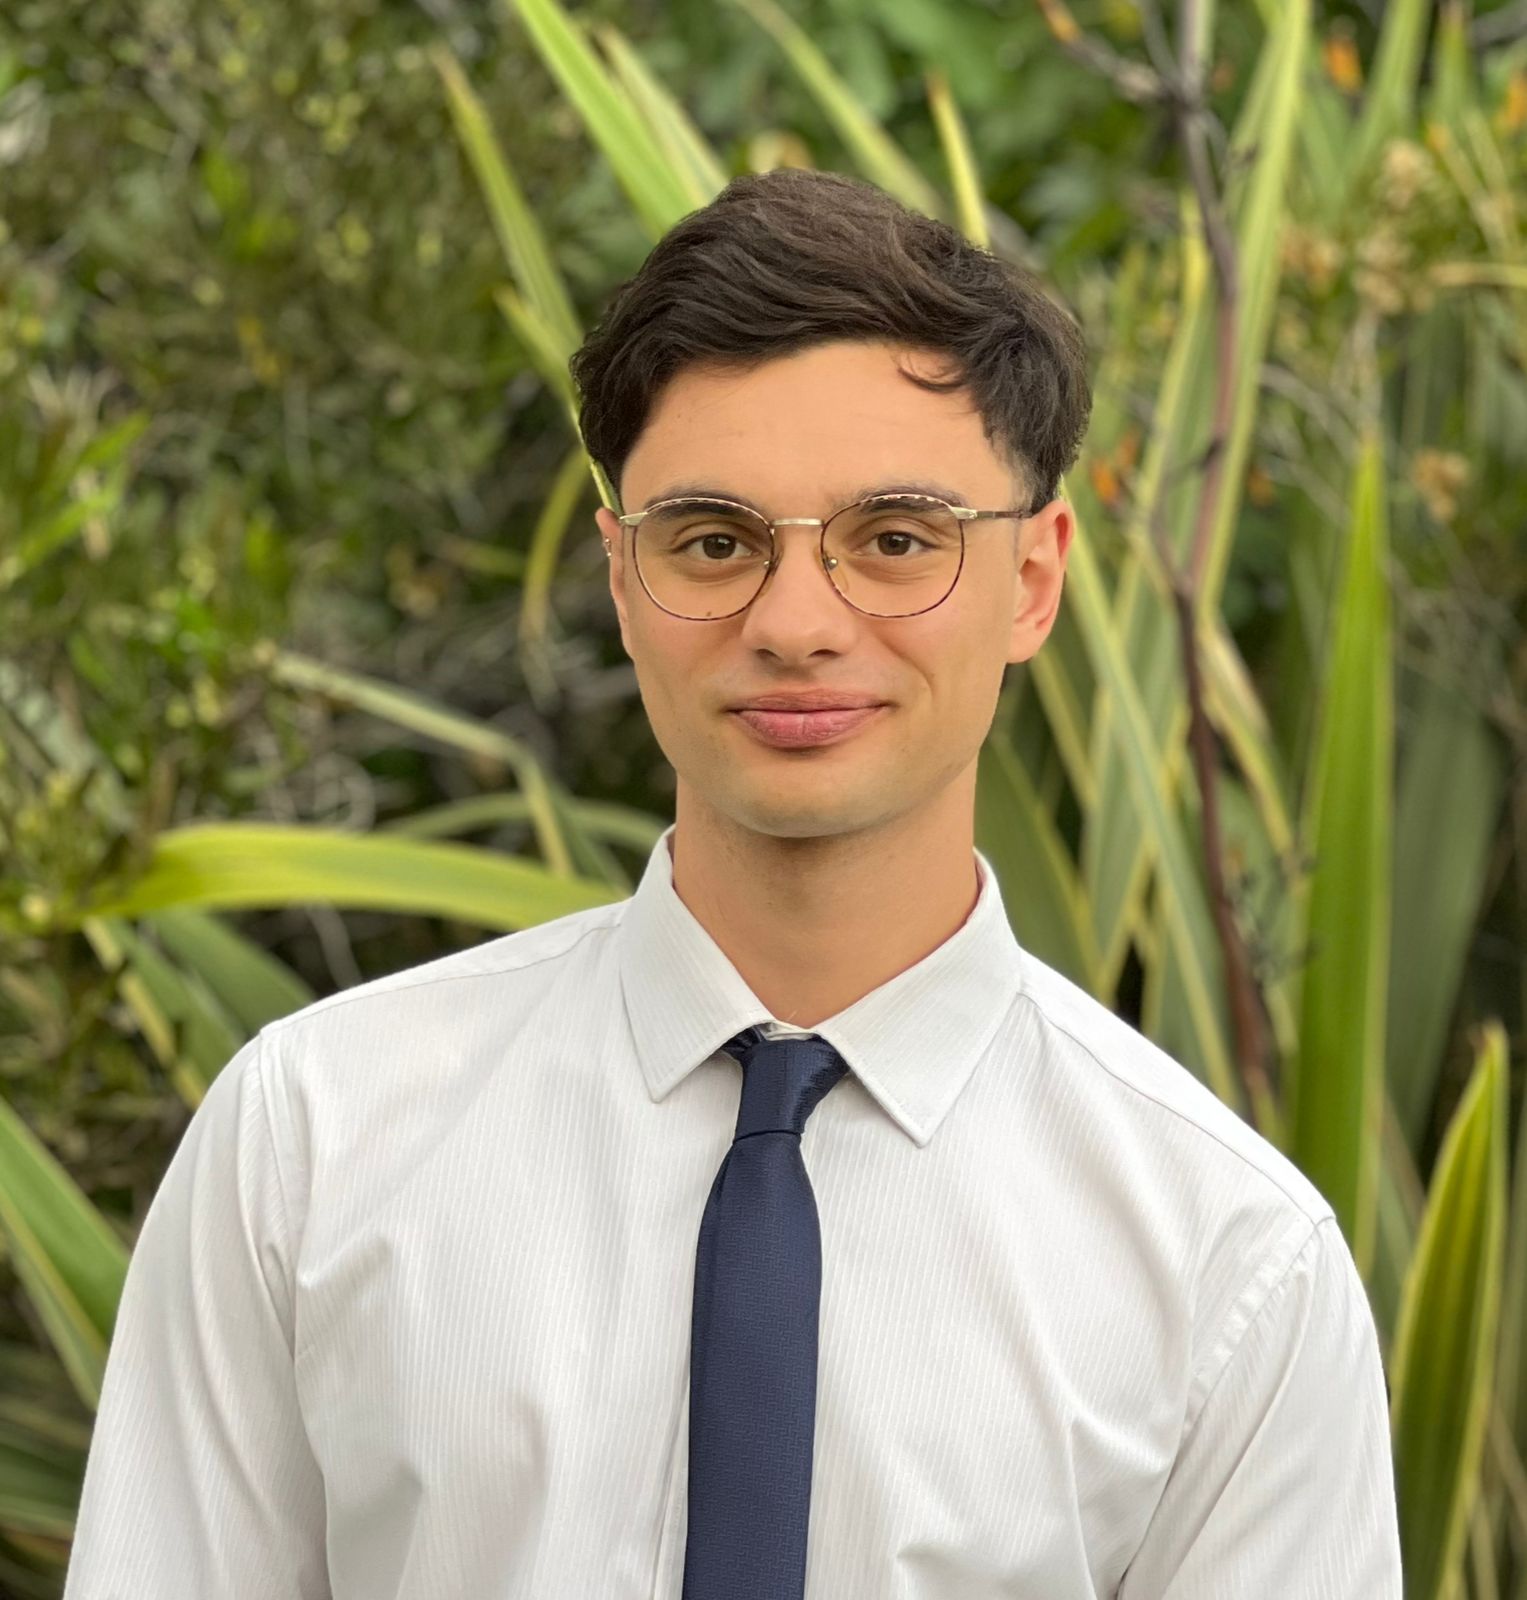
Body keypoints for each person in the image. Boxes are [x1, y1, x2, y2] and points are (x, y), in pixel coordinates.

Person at [62, 167, 1402, 1599]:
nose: (797, 622)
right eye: (715, 542)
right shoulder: (313, 1142)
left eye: (897, 540)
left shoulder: (1228, 1265)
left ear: (1033, 579)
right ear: (622, 578)